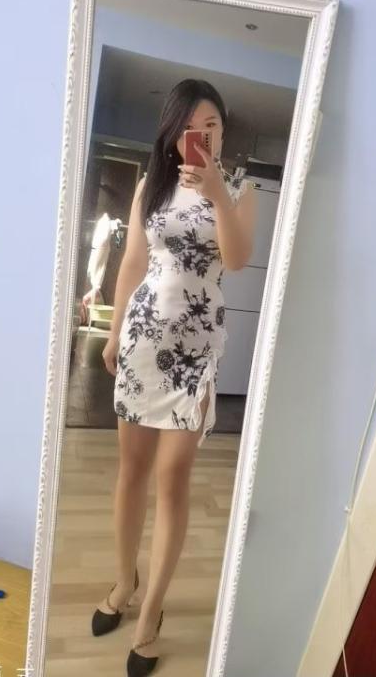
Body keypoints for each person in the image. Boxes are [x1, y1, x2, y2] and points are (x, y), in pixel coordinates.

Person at [91, 78, 256, 676]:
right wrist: (114, 332)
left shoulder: (242, 190)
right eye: (193, 126)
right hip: (142, 340)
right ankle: (124, 580)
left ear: (223, 133)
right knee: (131, 472)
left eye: (213, 126)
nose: (204, 135)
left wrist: (216, 195)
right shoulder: (151, 185)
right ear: (173, 131)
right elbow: (134, 262)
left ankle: (151, 611)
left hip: (196, 351)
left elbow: (236, 259)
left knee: (172, 477)